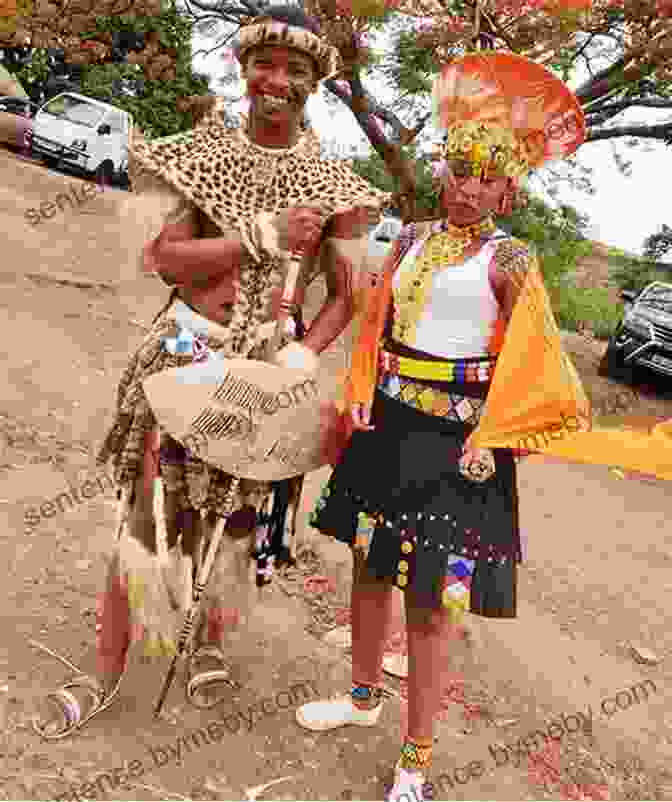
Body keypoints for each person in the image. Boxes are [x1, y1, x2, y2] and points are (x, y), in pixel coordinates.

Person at [34, 4, 387, 737]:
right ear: (243, 66)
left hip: (266, 381)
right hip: (185, 358)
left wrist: (300, 353)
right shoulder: (198, 153)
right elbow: (163, 258)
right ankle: (106, 667)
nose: (277, 80)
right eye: (266, 63)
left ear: (316, 81)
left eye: (295, 69)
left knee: (235, 524)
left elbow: (351, 296)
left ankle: (209, 645)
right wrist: (258, 236)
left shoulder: (334, 184)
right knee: (148, 515)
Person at [296, 51, 587, 801]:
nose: (466, 187)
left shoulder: (511, 259)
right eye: (458, 170)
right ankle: (362, 700)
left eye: (483, 177)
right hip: (387, 428)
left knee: (429, 606)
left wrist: (498, 436)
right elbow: (373, 327)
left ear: (508, 188)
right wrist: (358, 387)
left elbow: (544, 366)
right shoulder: (412, 239)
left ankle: (415, 765)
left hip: (456, 450)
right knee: (366, 571)